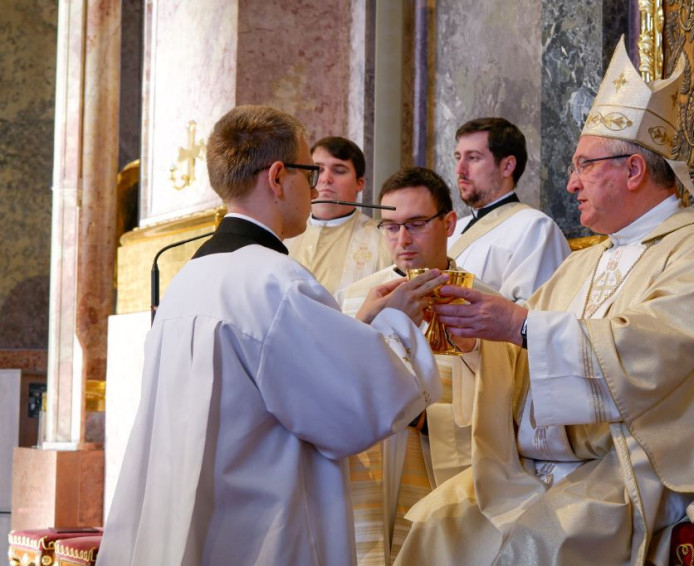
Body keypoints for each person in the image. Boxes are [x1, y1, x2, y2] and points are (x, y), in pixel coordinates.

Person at [396, 38, 694, 565]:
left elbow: (655, 351)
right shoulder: (586, 260)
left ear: (633, 170)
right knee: (438, 524)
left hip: (646, 461)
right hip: (559, 462)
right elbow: (524, 345)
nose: (570, 183)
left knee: (533, 547)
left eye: (584, 165)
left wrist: (518, 325)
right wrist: (480, 337)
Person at [96, 106, 447, 566]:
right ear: (278, 177)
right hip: (259, 533)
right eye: (310, 173)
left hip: (195, 521)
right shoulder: (276, 282)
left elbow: (276, 377)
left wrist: (358, 328)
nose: (316, 188)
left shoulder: (189, 281)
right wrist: (397, 324)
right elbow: (352, 413)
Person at [335, 167, 495, 565]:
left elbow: (505, 411)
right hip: (365, 482)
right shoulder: (353, 301)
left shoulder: (486, 306)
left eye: (416, 224)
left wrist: (427, 421)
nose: (402, 240)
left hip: (440, 483)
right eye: (390, 227)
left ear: (449, 223)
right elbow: (328, 394)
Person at [448, 117, 571, 302]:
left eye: (473, 158)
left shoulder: (535, 228)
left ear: (507, 166)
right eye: (458, 157)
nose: (460, 170)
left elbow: (533, 311)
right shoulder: (452, 229)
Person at [285, 136, 393, 293]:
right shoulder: (284, 234)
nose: (325, 179)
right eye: (318, 170)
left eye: (339, 171)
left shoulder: (384, 239)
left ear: (359, 184)